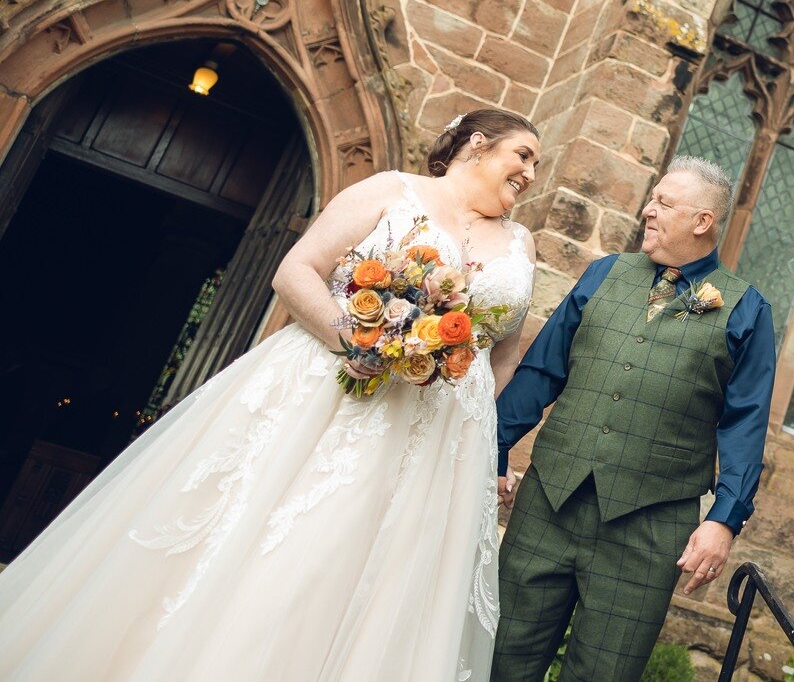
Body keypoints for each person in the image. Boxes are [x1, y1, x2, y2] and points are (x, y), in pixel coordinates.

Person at [0, 108, 541, 681]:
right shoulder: (392, 191)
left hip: (438, 435)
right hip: (333, 396)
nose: (531, 173)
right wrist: (353, 341)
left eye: (536, 164)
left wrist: (472, 423)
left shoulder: (520, 243)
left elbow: (502, 351)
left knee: (386, 576)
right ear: (478, 144)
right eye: (523, 155)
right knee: (290, 546)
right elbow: (296, 271)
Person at [492, 155, 775, 682]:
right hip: (550, 502)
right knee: (500, 659)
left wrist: (724, 519)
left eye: (664, 203)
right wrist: (493, 449)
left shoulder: (746, 309)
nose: (648, 210)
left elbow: (745, 424)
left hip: (649, 528)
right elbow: (540, 372)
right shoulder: (603, 273)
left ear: (701, 221)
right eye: (652, 198)